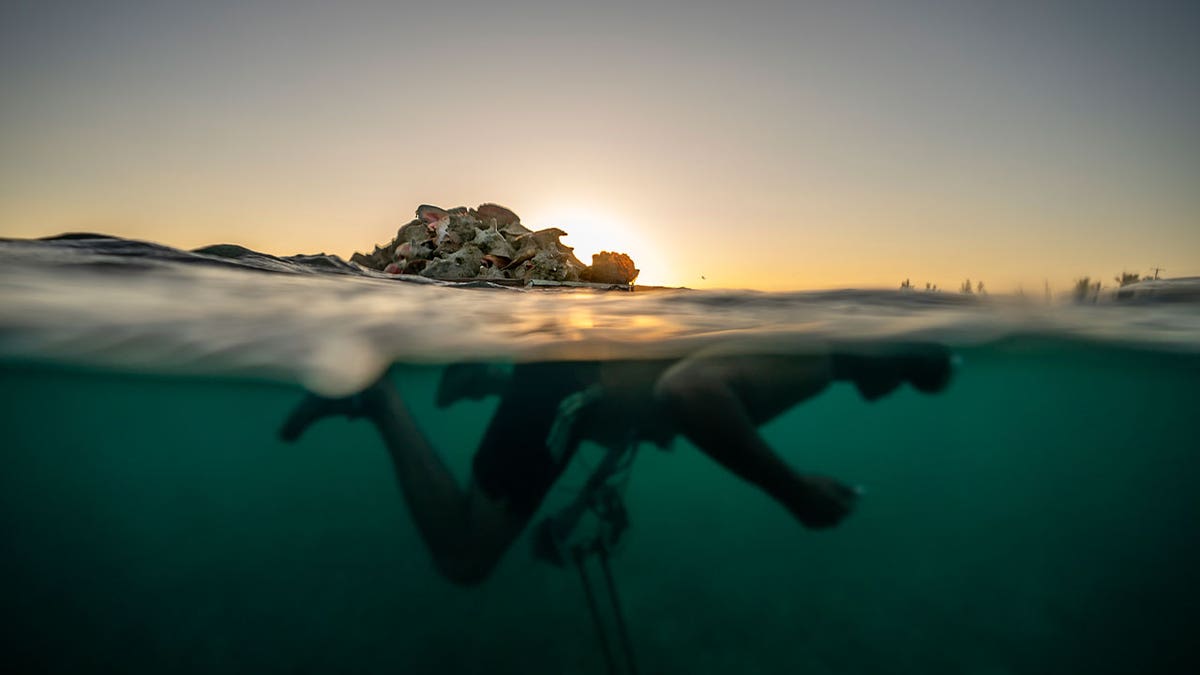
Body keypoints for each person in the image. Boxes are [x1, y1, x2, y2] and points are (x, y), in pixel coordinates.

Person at [280, 343, 953, 585]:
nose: (898, 387)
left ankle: (490, 377)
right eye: (909, 372)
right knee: (463, 557)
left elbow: (675, 386)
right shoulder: (812, 360)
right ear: (887, 357)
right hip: (572, 389)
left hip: (580, 385)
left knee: (594, 407)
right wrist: (794, 490)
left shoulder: (813, 358)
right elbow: (689, 392)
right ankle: (380, 397)